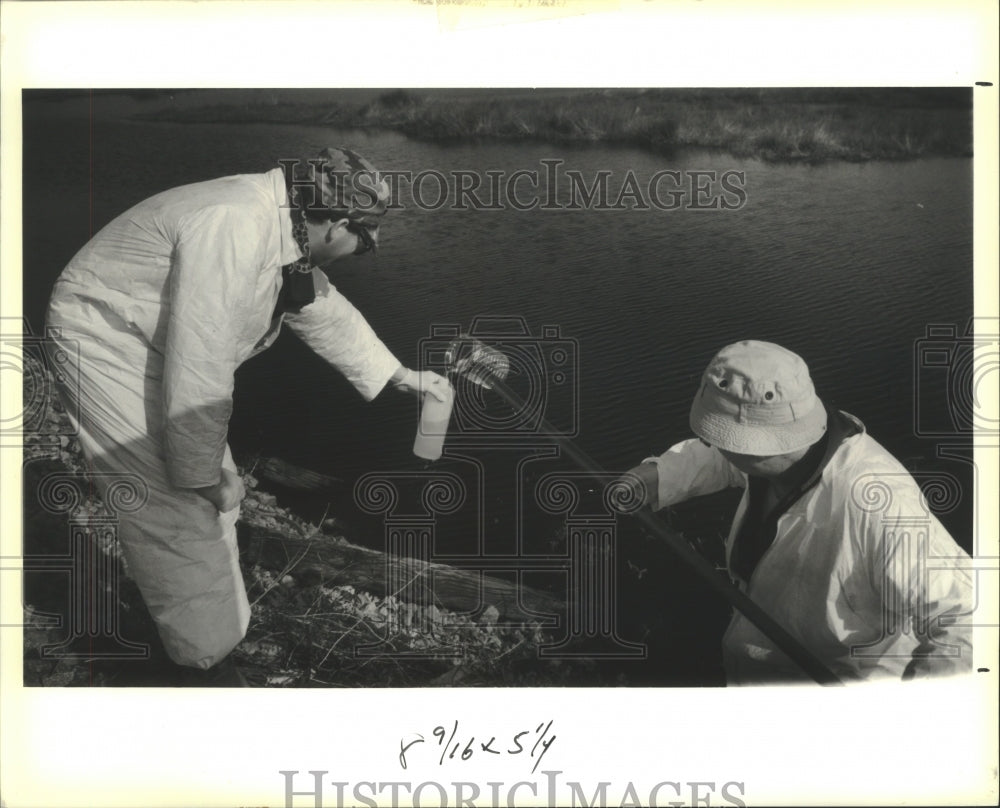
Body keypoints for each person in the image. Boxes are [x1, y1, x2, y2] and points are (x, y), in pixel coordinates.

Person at [45, 146, 449, 685]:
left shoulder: (284, 223)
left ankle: (213, 625)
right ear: (338, 223)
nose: (357, 253)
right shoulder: (234, 225)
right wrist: (201, 475)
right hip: (101, 335)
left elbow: (318, 306)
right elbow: (203, 355)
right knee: (178, 504)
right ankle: (202, 669)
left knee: (217, 495)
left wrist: (403, 377)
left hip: (148, 337)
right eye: (362, 243)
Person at [623, 340, 972, 684]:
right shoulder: (783, 458)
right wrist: (656, 477)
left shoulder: (879, 502)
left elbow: (967, 616)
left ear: (767, 444)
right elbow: (722, 460)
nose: (717, 448)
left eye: (725, 440)